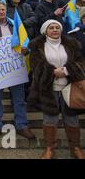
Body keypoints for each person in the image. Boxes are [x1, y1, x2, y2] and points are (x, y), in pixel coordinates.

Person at [0, 1, 36, 140]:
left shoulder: (15, 24)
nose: (2, 12)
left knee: (19, 99)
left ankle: (22, 125)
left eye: (3, 9)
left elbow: (25, 41)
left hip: (15, 67)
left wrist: (25, 49)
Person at [28, 20, 85, 159]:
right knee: (50, 119)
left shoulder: (71, 44)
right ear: (45, 31)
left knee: (72, 119)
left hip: (69, 88)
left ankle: (75, 148)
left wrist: (66, 71)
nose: (55, 30)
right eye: (51, 28)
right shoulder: (37, 47)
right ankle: (49, 149)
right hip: (48, 89)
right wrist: (52, 72)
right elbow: (36, 66)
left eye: (57, 27)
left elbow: (80, 63)